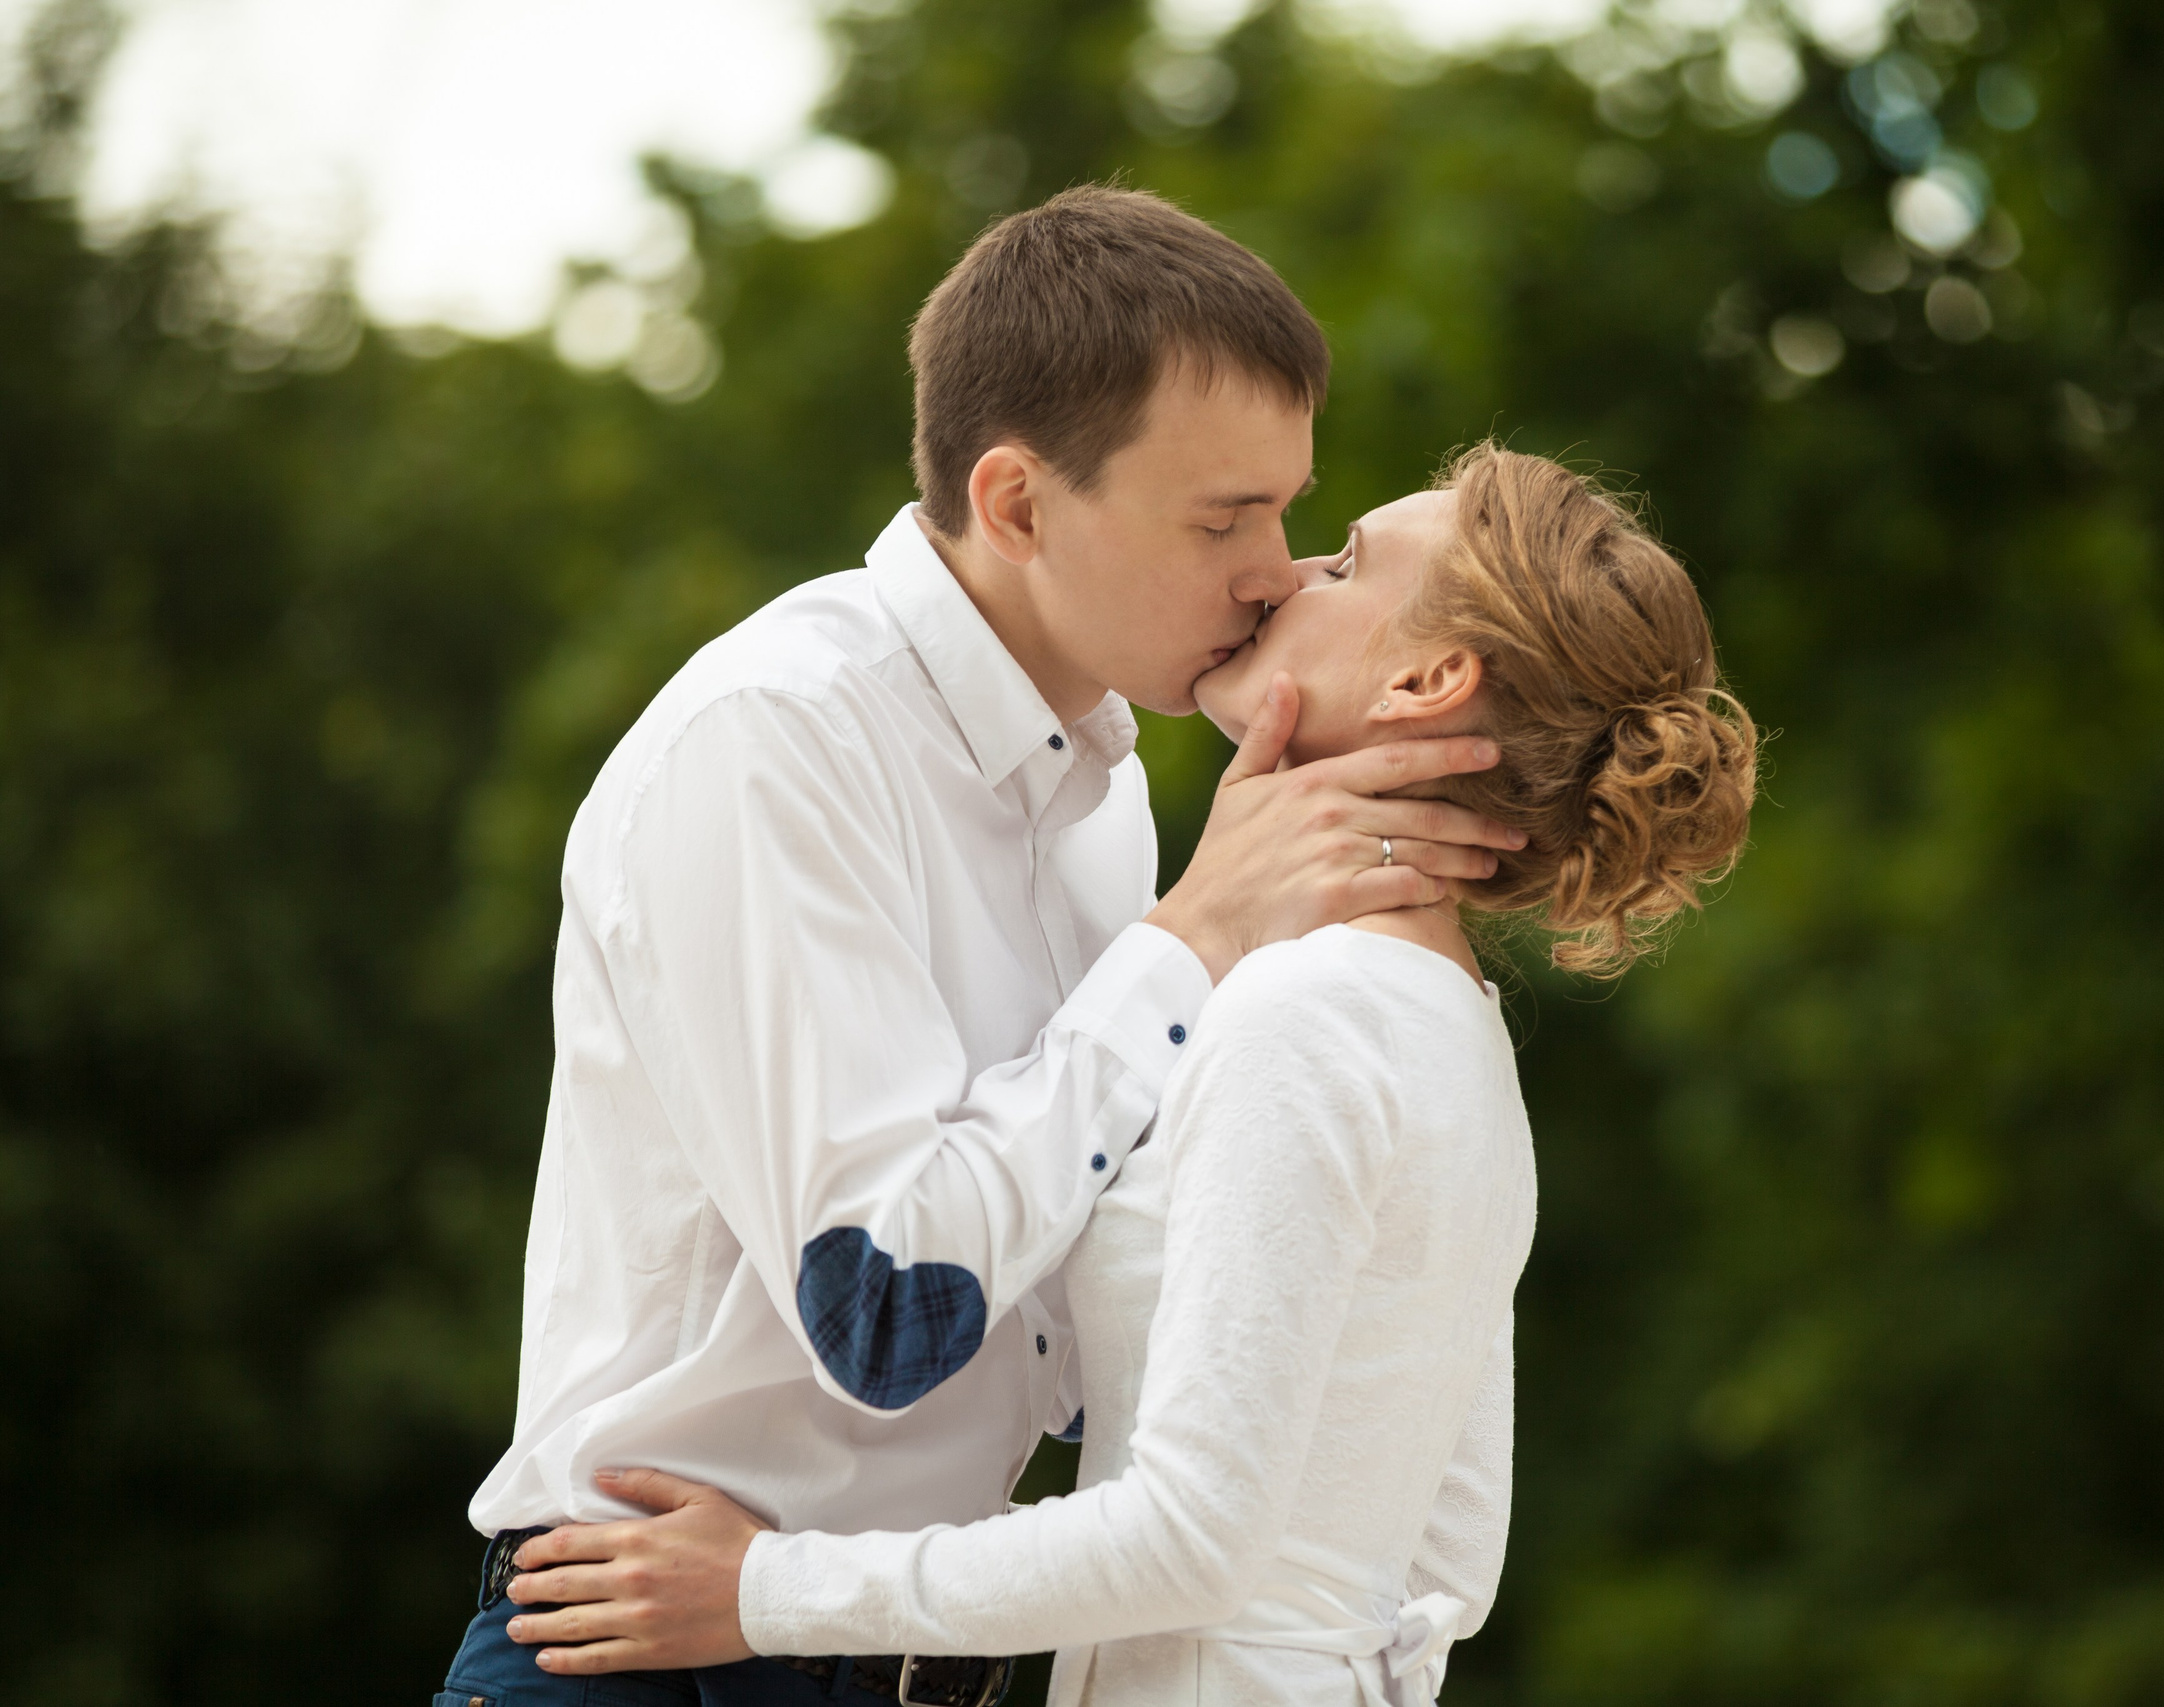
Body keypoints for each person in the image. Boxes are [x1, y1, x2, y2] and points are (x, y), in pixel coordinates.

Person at [435, 187, 1529, 1707]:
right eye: (1224, 518)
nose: (1274, 569)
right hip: (661, 1646)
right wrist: (1198, 933)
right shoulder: (780, 741)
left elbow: (1068, 1324)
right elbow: (889, 1312)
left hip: (900, 1649)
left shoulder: (1100, 790)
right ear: (1017, 503)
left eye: (1290, 508)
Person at [492, 443, 1761, 1706]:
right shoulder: (1457, 1027)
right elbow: (1453, 1555)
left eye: (1350, 559)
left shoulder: (1296, 1012)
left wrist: (763, 1592)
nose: (1286, 574)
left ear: (1428, 679)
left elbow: (1190, 1538)